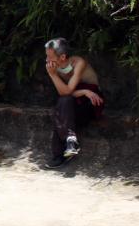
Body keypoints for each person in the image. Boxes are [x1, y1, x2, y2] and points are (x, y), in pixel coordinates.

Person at [43, 37, 104, 169]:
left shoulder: (78, 63)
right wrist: (83, 91)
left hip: (91, 102)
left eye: (50, 57)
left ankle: (59, 155)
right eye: (46, 56)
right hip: (72, 103)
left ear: (62, 57)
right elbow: (63, 93)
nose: (47, 60)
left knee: (62, 108)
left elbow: (67, 91)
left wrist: (53, 76)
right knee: (63, 104)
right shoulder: (54, 68)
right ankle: (70, 143)